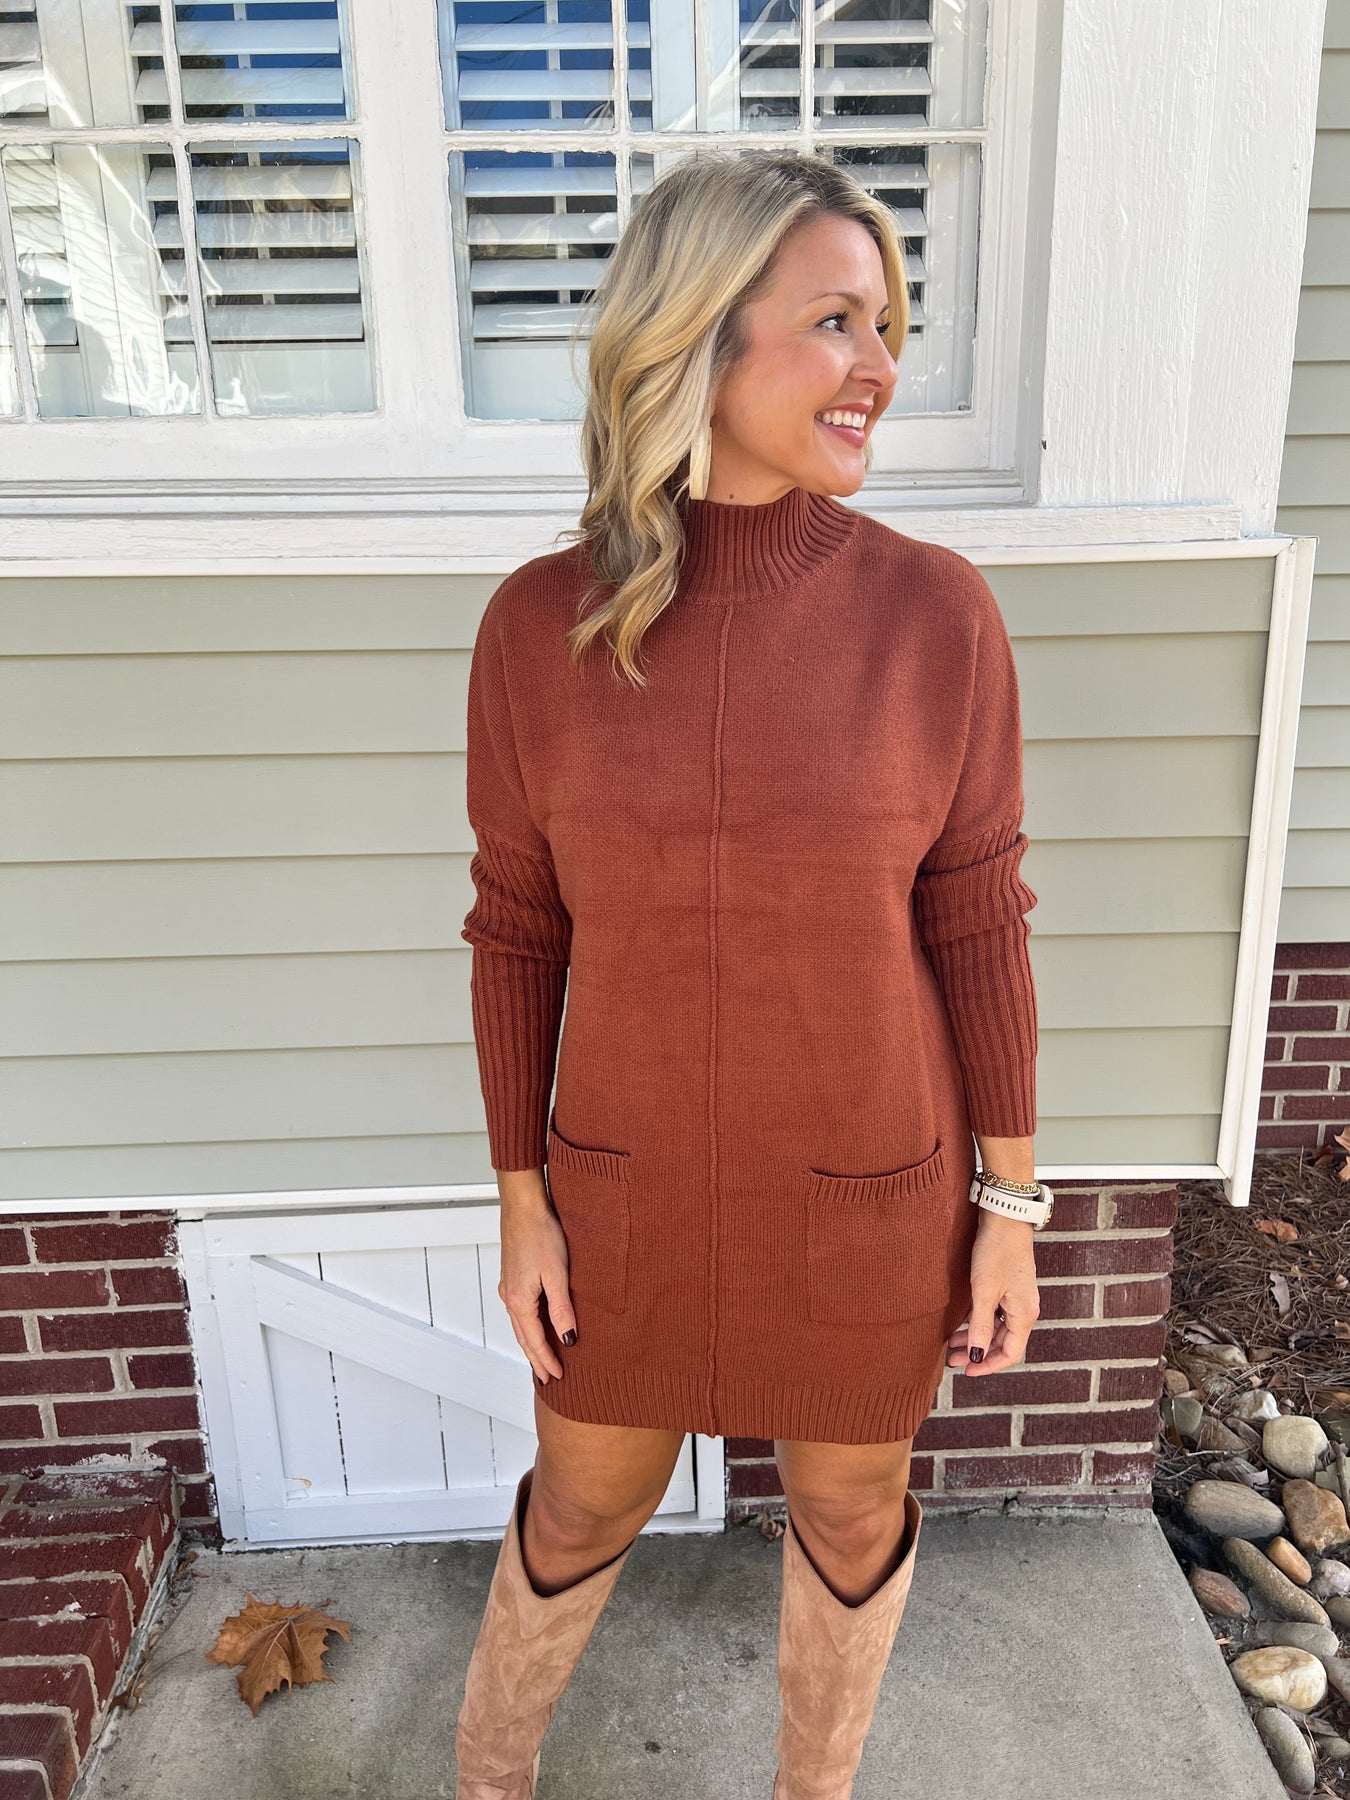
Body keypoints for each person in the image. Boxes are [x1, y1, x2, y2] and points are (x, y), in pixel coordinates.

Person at [454, 149, 1046, 1800]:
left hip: (867, 1189)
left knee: (850, 1511)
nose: (880, 366)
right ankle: (486, 1778)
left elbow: (977, 922)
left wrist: (1008, 1209)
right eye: (836, 321)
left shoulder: (933, 617)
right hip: (623, 1196)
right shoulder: (539, 627)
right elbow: (517, 930)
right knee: (582, 1502)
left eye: (888, 325)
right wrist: (521, 1201)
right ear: (697, 336)